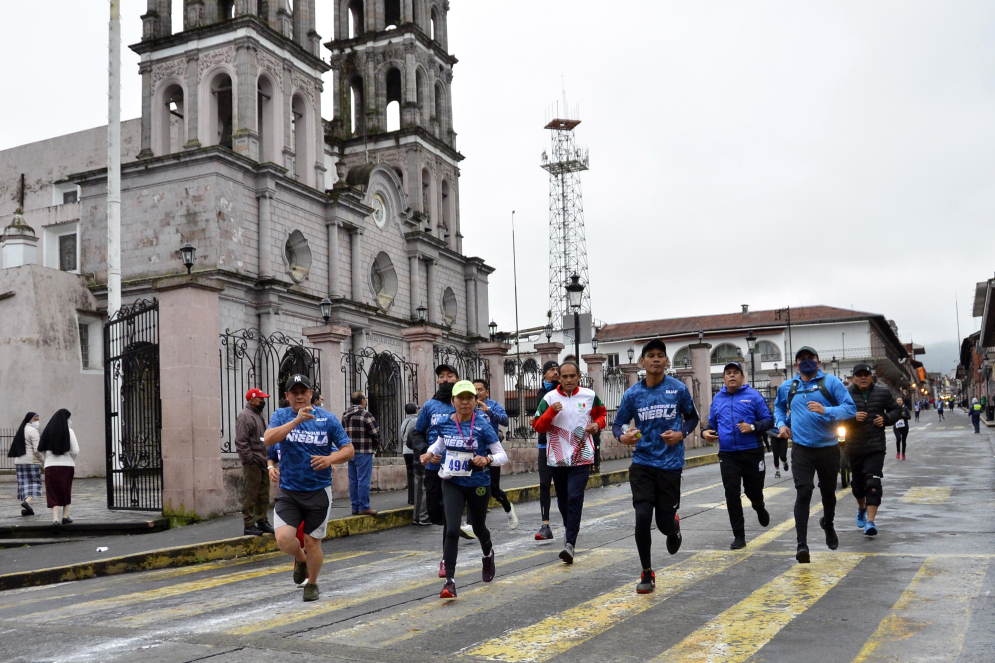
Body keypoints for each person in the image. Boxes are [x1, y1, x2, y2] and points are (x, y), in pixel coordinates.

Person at [613, 339, 699, 594]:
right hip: (642, 463)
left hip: (670, 465)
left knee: (663, 525)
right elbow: (618, 424)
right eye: (651, 355)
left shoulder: (678, 389)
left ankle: (673, 527)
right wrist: (623, 437)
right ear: (642, 362)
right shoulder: (633, 394)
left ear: (667, 362)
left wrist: (681, 434)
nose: (656, 359)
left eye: (661, 355)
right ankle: (647, 572)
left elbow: (692, 417)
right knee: (641, 517)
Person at [264, 373, 354, 602]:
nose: (299, 396)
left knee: (313, 542)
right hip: (289, 489)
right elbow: (268, 440)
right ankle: (300, 559)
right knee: (283, 539)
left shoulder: (327, 419)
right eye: (294, 393)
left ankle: (312, 583)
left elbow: (348, 449)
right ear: (287, 396)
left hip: (318, 489)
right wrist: (296, 421)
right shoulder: (281, 415)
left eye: (303, 392)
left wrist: (330, 459)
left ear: (311, 395)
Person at [420, 380, 507, 598]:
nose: (465, 402)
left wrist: (486, 459)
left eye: (470, 398)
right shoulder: (445, 422)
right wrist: (429, 454)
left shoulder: (483, 425)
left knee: (478, 528)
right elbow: (440, 443)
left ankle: (488, 554)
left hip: (477, 484)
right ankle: (449, 581)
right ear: (453, 401)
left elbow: (502, 456)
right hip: (451, 481)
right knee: (451, 530)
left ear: (476, 401)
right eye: (461, 398)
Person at [774, 347, 856, 564]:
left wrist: (826, 410)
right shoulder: (788, 387)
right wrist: (781, 425)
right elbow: (779, 408)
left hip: (828, 447)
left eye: (811, 358)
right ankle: (802, 544)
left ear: (819, 363)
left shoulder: (832, 383)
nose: (806, 362)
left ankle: (828, 524)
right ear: (795, 365)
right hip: (801, 448)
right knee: (804, 492)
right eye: (802, 359)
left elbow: (850, 409)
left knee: (828, 492)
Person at [533, 361, 605, 563]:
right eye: (564, 377)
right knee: (564, 498)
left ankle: (570, 543)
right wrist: (551, 412)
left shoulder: (589, 396)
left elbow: (602, 415)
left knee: (575, 496)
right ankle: (569, 528)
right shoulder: (549, 398)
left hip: (582, 456)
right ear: (560, 378)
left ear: (579, 376)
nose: (568, 380)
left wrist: (596, 425)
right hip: (558, 458)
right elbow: (538, 426)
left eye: (572, 376)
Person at [701, 361, 773, 550]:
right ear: (724, 378)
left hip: (752, 452)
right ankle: (739, 535)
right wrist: (705, 433)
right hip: (728, 454)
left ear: (742, 377)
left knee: (752, 490)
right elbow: (711, 425)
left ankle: (758, 505)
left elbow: (769, 420)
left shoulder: (753, 396)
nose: (732, 376)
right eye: (728, 373)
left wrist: (753, 427)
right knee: (731, 493)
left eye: (735, 373)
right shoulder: (718, 399)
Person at [410, 364, 460, 578]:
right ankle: (456, 525)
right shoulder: (430, 406)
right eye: (441, 376)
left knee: (449, 519)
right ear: (437, 381)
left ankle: (446, 561)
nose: (445, 379)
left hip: (458, 470)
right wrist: (425, 452)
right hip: (432, 467)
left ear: (457, 379)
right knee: (434, 514)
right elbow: (416, 434)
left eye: (450, 375)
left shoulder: (464, 404)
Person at [844, 364, 901, 537]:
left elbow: (896, 410)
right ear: (853, 378)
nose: (863, 378)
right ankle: (862, 508)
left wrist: (886, 418)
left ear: (872, 377)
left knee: (873, 483)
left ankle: (870, 521)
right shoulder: (845, 394)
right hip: (854, 447)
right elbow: (835, 416)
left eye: (866, 375)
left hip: (875, 446)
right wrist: (852, 419)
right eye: (859, 375)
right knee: (857, 486)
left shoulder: (883, 392)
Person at [474, 379, 518, 529]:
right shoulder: (468, 406)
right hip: (474, 451)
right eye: (475, 389)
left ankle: (508, 508)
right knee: (471, 487)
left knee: (494, 489)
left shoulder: (493, 405)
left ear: (487, 392)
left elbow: (505, 421)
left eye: (480, 389)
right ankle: (471, 524)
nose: (477, 392)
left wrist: (489, 412)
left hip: (491, 450)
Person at [267, 442, 310, 587]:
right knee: (294, 536)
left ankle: (310, 577)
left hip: (312, 492)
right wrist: (270, 467)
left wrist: (330, 460)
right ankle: (302, 563)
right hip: (288, 494)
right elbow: (271, 455)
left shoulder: (312, 434)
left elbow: (334, 450)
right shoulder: (279, 439)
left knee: (309, 537)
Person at [235, 388, 275, 536]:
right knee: (251, 493)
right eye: (261, 398)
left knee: (263, 493)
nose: (263, 401)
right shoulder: (245, 416)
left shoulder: (258, 415)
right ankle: (249, 523)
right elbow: (241, 441)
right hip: (253, 461)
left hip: (262, 459)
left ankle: (262, 520)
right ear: (252, 400)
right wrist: (249, 459)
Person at [341, 392, 381, 517]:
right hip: (364, 451)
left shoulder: (345, 415)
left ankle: (355, 506)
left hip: (350, 451)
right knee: (363, 480)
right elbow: (375, 433)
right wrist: (376, 444)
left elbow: (342, 433)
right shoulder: (366, 414)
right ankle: (364, 506)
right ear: (362, 401)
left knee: (353, 481)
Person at [37, 409, 79, 526]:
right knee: (66, 489)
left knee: (52, 491)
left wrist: (48, 458)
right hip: (67, 465)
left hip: (51, 465)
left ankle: (55, 519)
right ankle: (65, 516)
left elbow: (40, 449)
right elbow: (75, 450)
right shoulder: (69, 432)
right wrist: (71, 459)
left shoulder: (48, 431)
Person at [533, 361, 560, 541]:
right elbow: (539, 416)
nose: (556, 373)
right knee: (544, 484)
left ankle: (569, 523)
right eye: (551, 370)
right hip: (544, 444)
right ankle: (545, 525)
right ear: (544, 374)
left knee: (562, 486)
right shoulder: (541, 394)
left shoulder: (563, 392)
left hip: (561, 444)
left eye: (557, 370)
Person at [9, 412, 44, 516]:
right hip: (31, 462)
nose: (37, 422)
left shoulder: (21, 430)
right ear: (30, 420)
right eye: (36, 420)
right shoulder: (33, 431)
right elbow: (37, 450)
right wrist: (43, 460)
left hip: (19, 462)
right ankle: (27, 502)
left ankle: (27, 509)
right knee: (35, 483)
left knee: (24, 484)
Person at [400, 402, 419, 506]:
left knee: (410, 474)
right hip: (413, 450)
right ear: (416, 411)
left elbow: (403, 437)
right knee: (416, 475)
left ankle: (411, 497)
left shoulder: (405, 421)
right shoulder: (416, 421)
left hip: (405, 450)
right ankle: (414, 497)